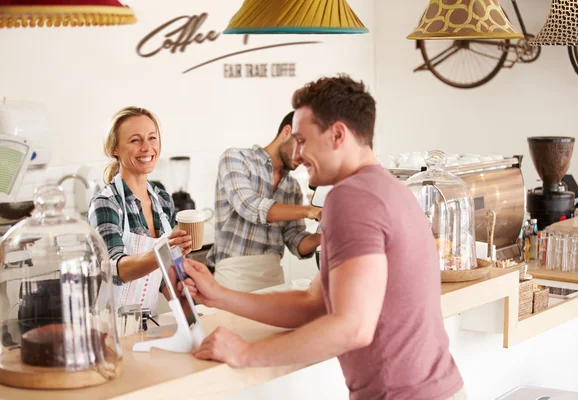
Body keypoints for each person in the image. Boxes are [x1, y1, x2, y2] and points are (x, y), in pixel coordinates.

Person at [180, 76, 465, 400]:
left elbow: (352, 327)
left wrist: (246, 353)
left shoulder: (351, 197)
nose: (297, 155)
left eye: (303, 140)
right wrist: (219, 295)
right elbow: (314, 303)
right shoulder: (391, 189)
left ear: (337, 134)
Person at [88, 106, 193, 317]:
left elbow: (162, 275)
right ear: (114, 148)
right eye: (135, 140)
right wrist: (164, 252)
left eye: (152, 138)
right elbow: (114, 270)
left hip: (147, 322)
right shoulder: (106, 203)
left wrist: (188, 311)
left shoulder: (162, 200)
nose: (147, 147)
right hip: (109, 328)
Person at [206, 111, 322, 292]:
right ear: (287, 131)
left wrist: (322, 236)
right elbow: (250, 206)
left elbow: (295, 239)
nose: (304, 156)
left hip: (273, 278)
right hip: (233, 276)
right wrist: (310, 210)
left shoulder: (292, 187)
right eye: (302, 145)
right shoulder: (236, 158)